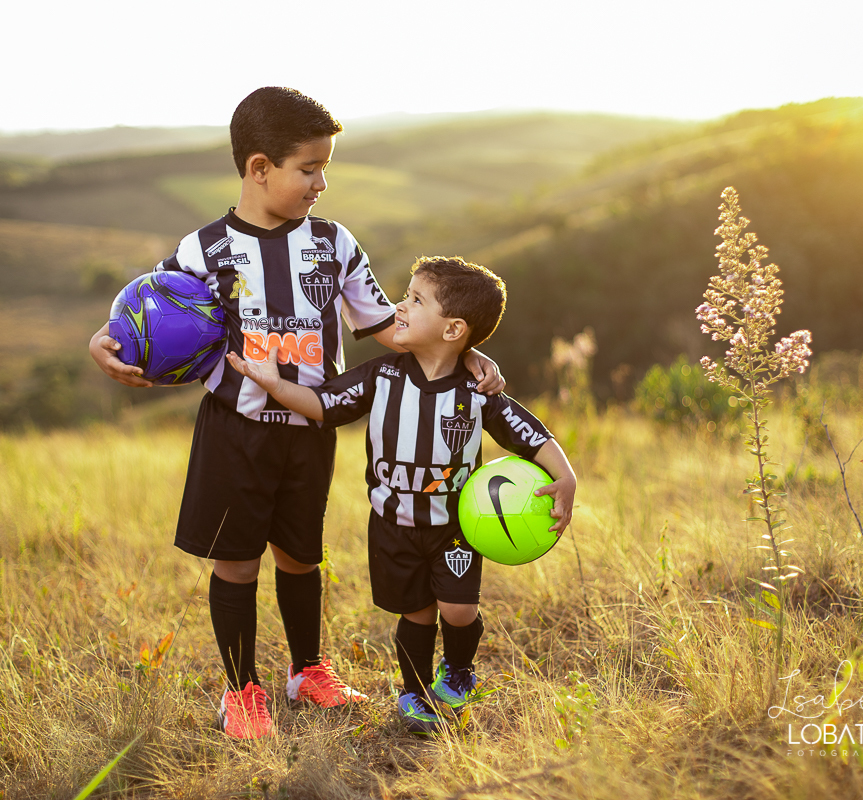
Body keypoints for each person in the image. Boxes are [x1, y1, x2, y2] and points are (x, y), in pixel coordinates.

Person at [88, 88, 505, 740]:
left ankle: (308, 669)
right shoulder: (204, 249)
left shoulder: (335, 244)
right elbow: (149, 313)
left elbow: (392, 326)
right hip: (236, 430)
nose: (322, 182)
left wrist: (467, 354)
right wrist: (103, 341)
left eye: (325, 167)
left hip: (310, 430)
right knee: (236, 562)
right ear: (259, 168)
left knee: (301, 557)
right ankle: (242, 690)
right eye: (308, 168)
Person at [227, 255, 577, 734]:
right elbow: (325, 406)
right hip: (393, 525)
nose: (400, 307)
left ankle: (457, 671)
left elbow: (531, 434)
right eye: (405, 296)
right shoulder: (383, 376)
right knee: (416, 613)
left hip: (455, 527)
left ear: (453, 330)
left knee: (458, 609)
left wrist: (566, 477)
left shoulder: (478, 392)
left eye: (415, 300)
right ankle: (413, 693)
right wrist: (273, 384)